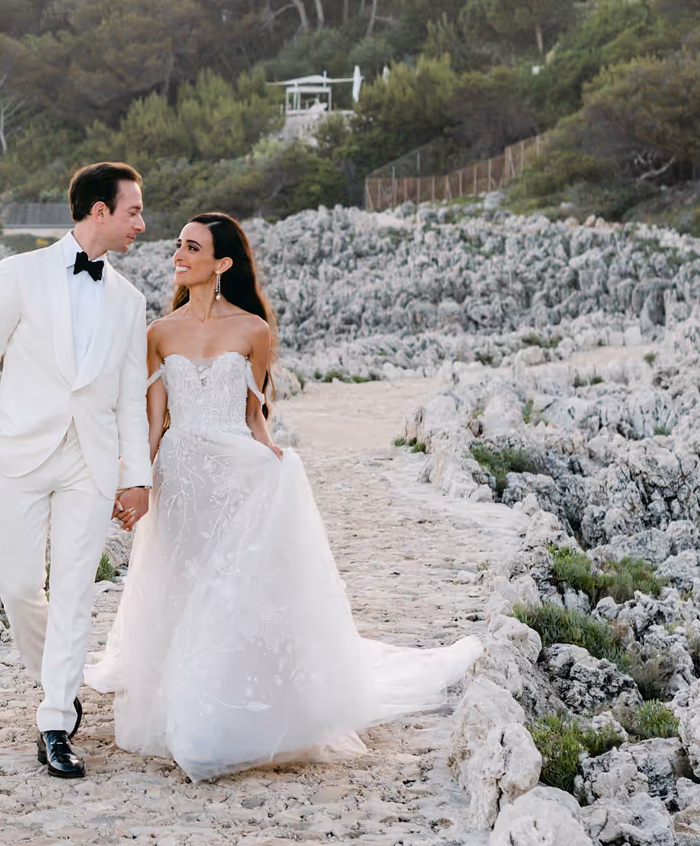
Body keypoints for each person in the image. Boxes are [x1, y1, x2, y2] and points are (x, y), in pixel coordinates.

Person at [87, 212, 481, 781]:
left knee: (231, 596)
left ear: (221, 264)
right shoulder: (158, 333)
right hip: (181, 479)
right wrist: (139, 485)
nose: (179, 253)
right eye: (179, 244)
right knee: (182, 590)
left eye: (192, 247)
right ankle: (181, 704)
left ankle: (223, 719)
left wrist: (277, 464)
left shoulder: (253, 331)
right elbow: (154, 425)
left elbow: (255, 420)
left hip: (239, 479)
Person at [0, 162, 152, 779]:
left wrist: (136, 474)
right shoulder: (19, 273)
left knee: (74, 591)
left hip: (89, 462)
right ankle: (59, 684)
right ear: (99, 210)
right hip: (16, 453)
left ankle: (54, 722)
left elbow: (128, 395)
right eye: (133, 212)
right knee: (18, 586)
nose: (142, 225)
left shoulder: (129, 299)